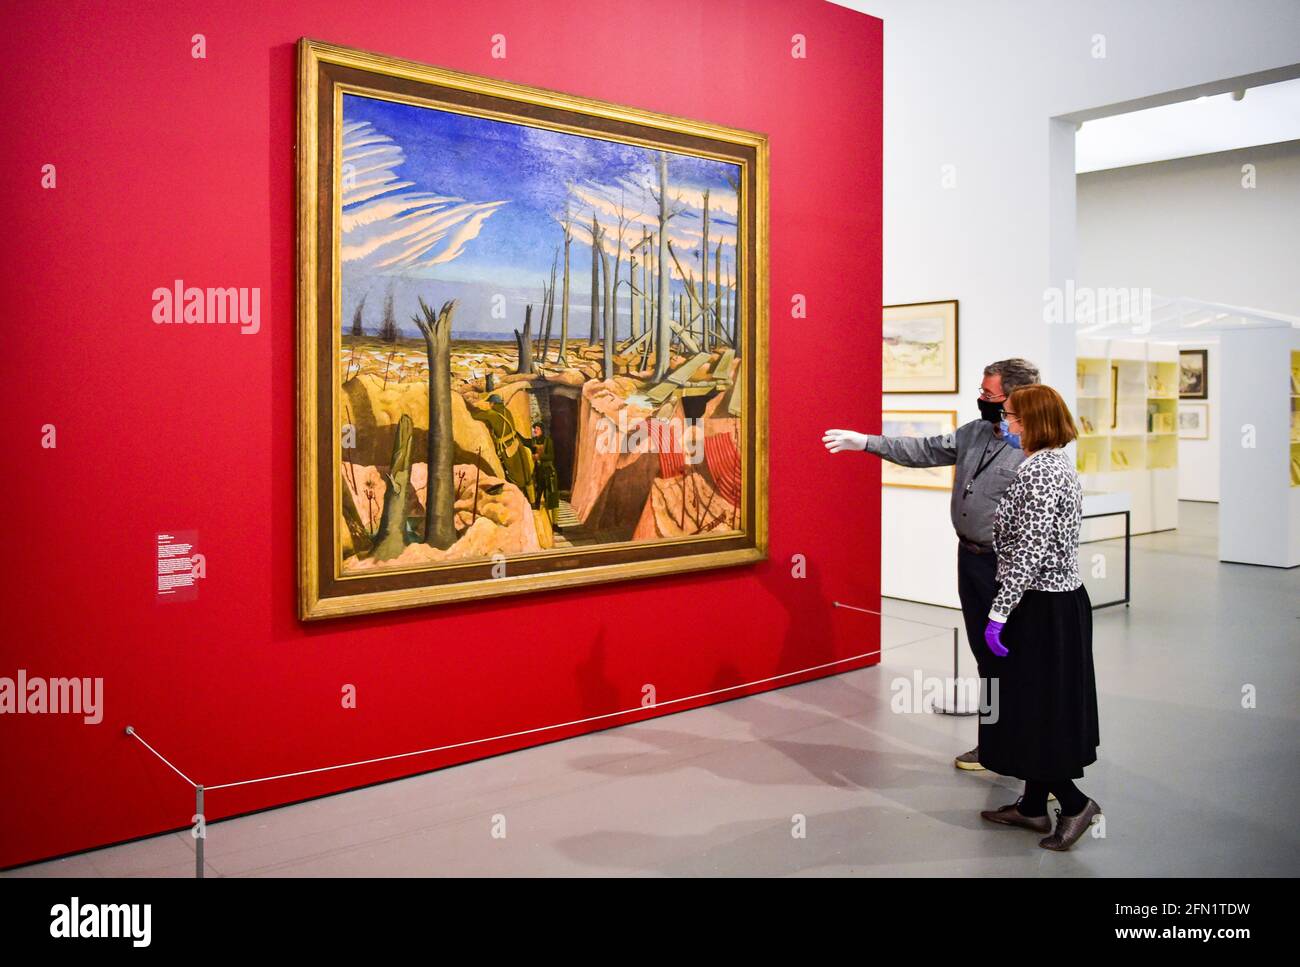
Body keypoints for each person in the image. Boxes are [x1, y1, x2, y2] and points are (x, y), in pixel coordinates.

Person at [823, 358, 1040, 771]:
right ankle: (993, 743)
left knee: (1018, 659)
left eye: (988, 395)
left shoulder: (1035, 450)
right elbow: (923, 450)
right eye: (981, 391)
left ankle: (1029, 752)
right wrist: (866, 442)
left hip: (1010, 568)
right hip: (972, 561)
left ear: (1016, 398)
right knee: (985, 657)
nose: (980, 399)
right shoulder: (974, 432)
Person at [977, 383, 1101, 851]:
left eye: (1010, 415)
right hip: (1053, 602)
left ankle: (1073, 804)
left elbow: (1028, 553)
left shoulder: (1041, 474)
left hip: (1042, 605)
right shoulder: (1050, 466)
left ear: (1031, 422)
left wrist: (999, 613)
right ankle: (1032, 806)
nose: (1004, 422)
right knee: (1037, 705)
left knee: (1038, 709)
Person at [529, 420, 560, 528]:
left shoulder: (548, 441)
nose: (535, 431)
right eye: (534, 429)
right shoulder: (534, 442)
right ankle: (539, 525)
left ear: (542, 430)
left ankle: (555, 523)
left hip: (548, 472)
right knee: (537, 498)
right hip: (538, 473)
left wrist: (539, 457)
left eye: (537, 429)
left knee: (552, 497)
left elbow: (551, 456)